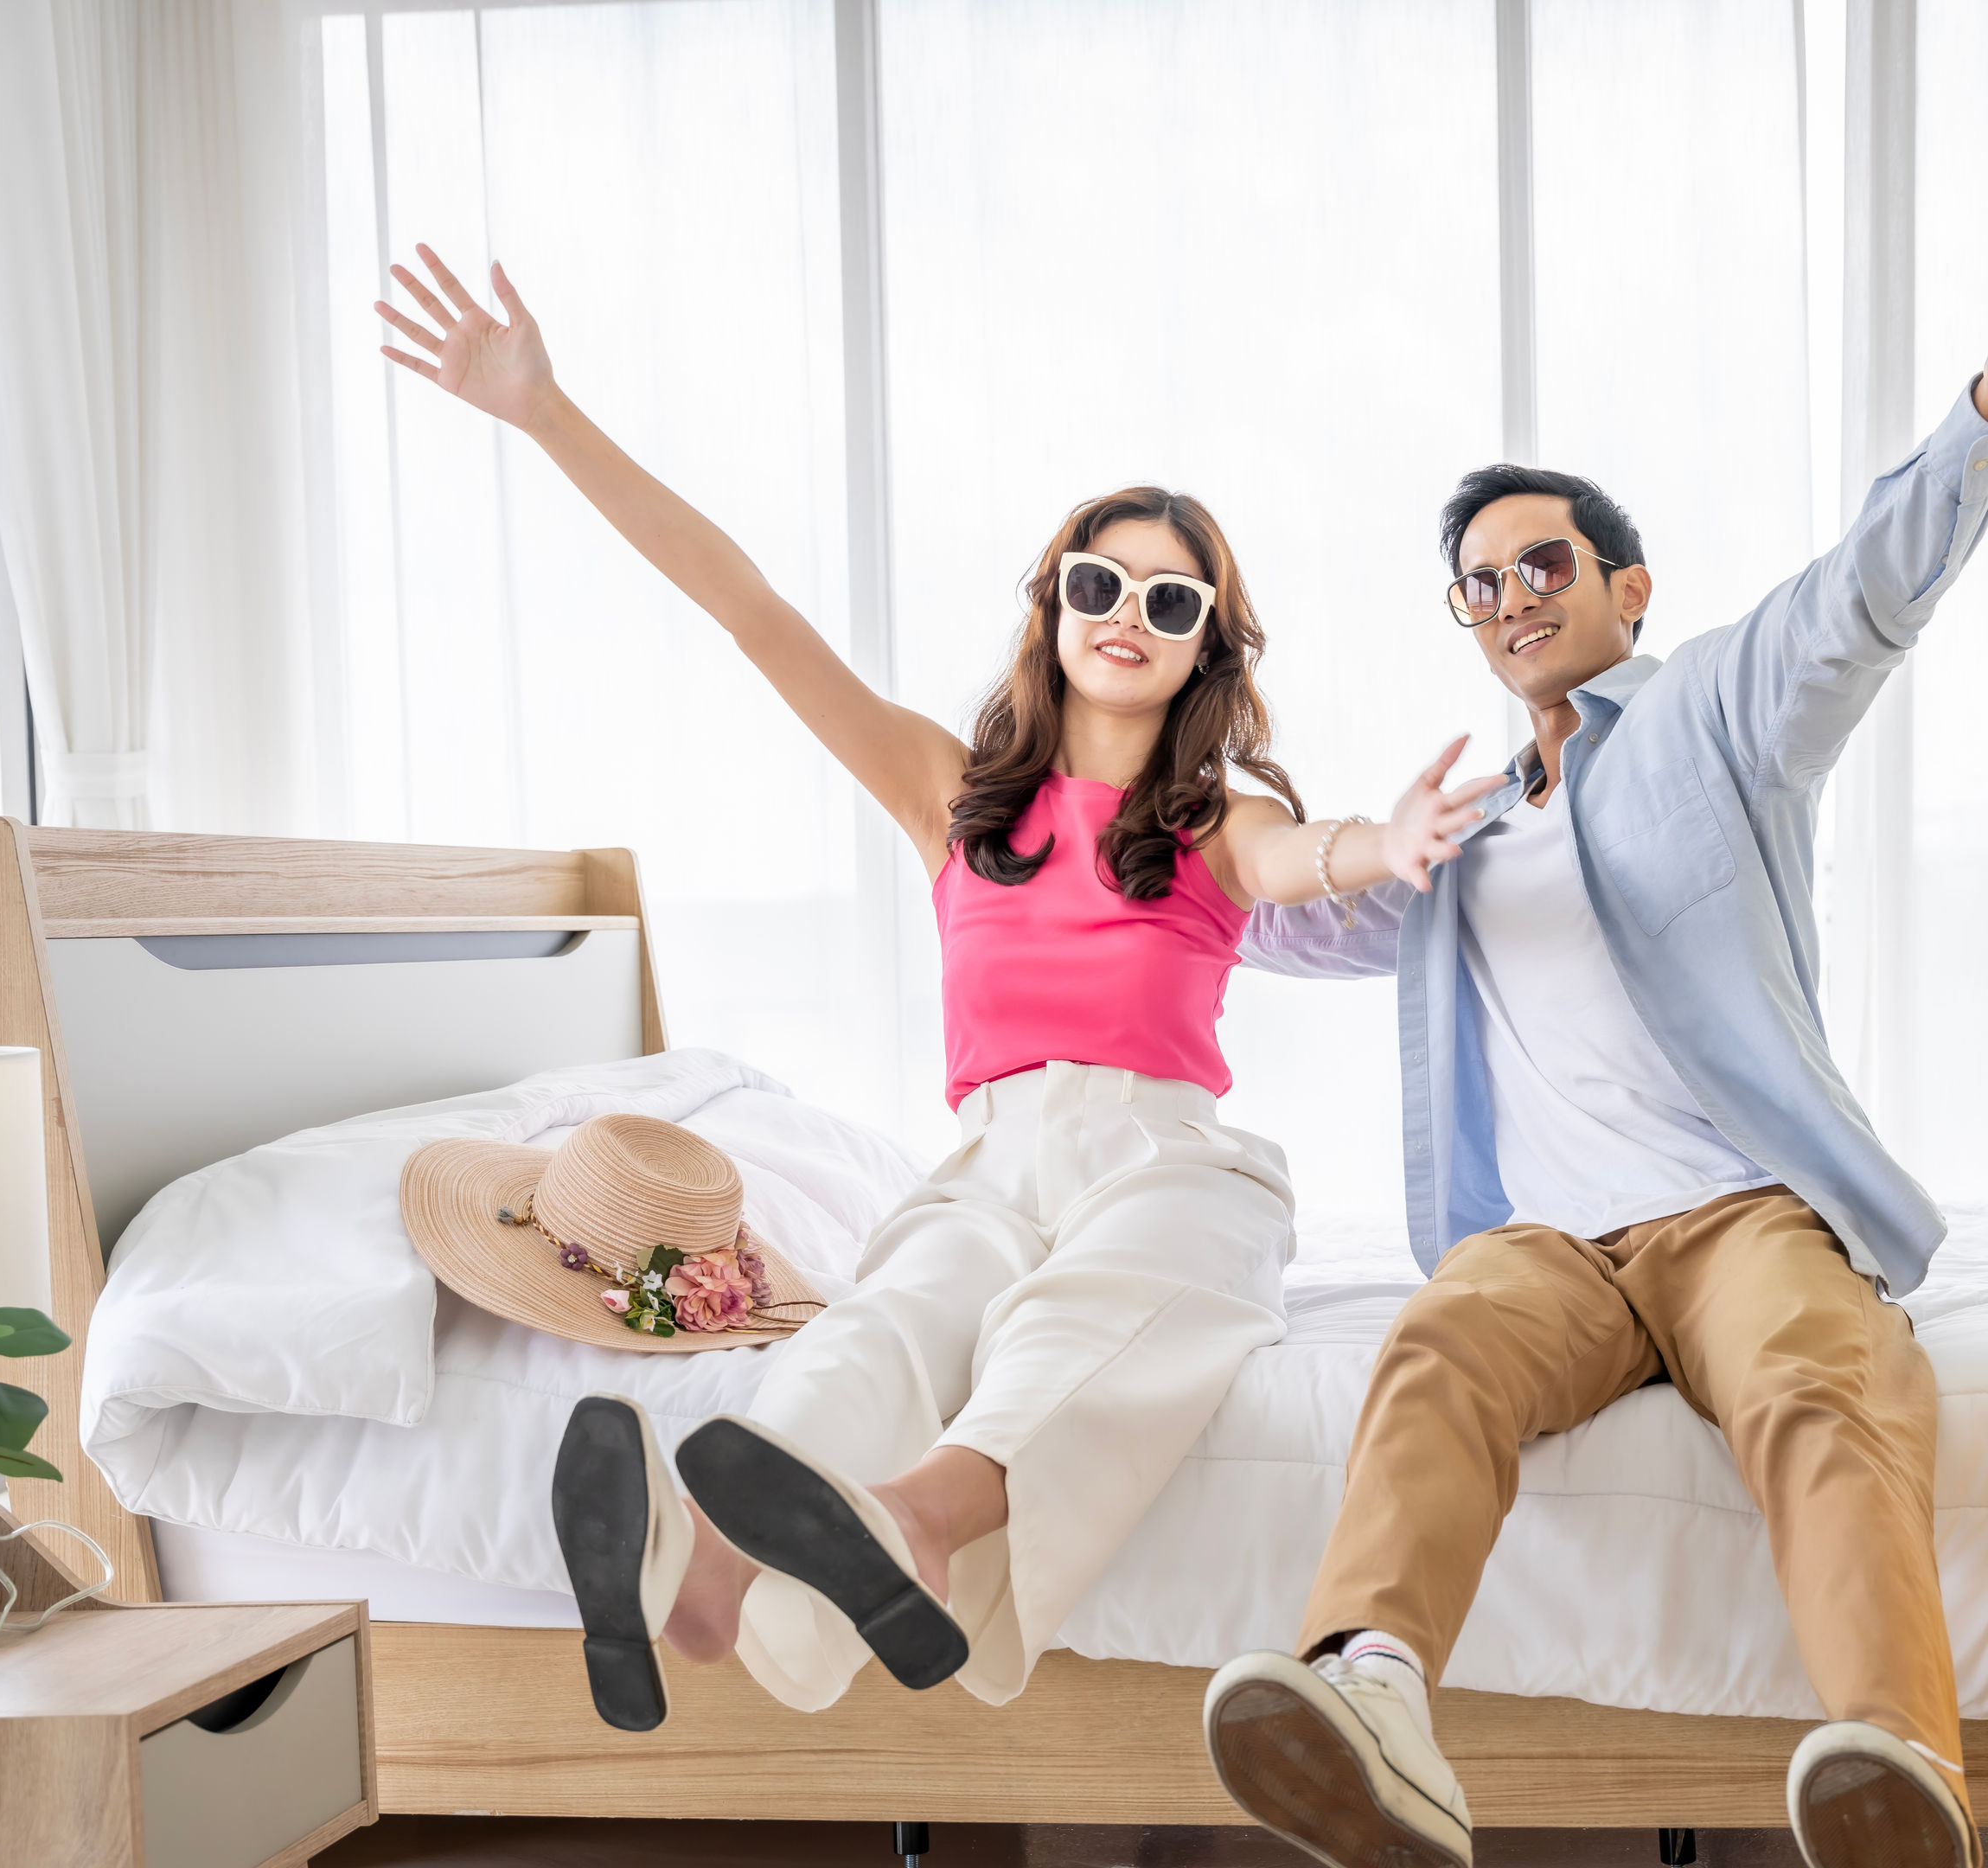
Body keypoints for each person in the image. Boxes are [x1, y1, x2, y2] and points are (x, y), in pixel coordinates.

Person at [374, 246, 1504, 1730]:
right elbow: (751, 610)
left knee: (1110, 1305)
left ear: (1204, 649)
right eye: (1100, 583)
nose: (1128, 615)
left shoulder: (1212, 819)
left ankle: (916, 1519)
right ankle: (701, 1572)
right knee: (893, 1316)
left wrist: (1386, 842)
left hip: (1163, 1148)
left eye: (1172, 604)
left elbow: (1310, 856)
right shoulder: (951, 794)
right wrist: (546, 410)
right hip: (989, 1156)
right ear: (1049, 607)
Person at [1198, 188, 1988, 1868]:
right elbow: (1263, 918)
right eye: (1477, 586)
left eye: (1543, 565)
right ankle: (1374, 1703)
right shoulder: (1454, 844)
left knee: (1825, 1388)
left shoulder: (1710, 718)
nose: (1512, 599)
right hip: (1551, 1251)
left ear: (1624, 585)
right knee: (1440, 1345)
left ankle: (1896, 1763)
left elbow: (1863, 597)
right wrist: (1110, 802)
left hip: (1735, 1216)